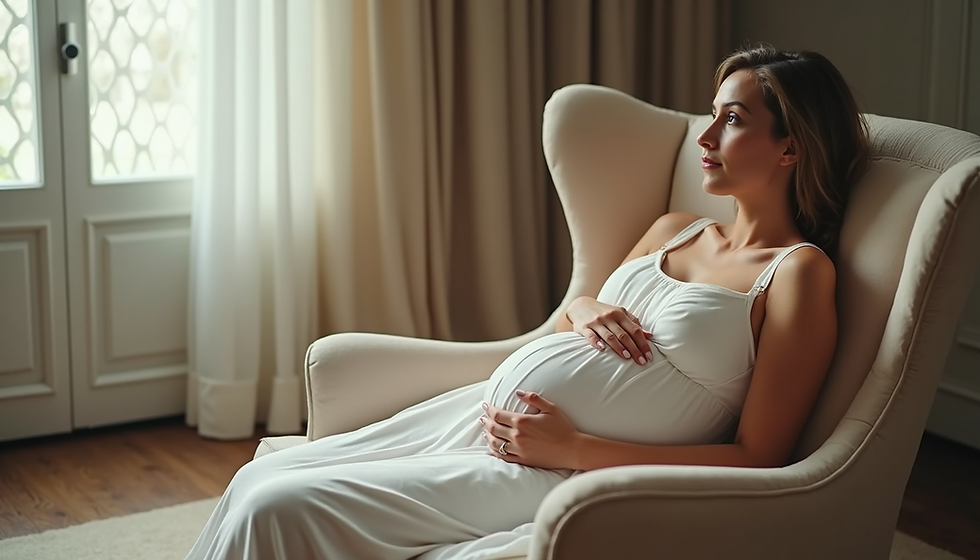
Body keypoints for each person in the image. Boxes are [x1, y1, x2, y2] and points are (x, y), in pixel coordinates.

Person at [185, 44, 870, 560]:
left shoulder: (797, 275)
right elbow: (583, 308)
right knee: (261, 480)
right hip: (473, 420)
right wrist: (586, 311)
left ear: (790, 148)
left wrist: (577, 446)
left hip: (557, 471)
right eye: (711, 116)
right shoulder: (676, 229)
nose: (705, 137)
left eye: (732, 120)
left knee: (277, 508)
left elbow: (761, 457)